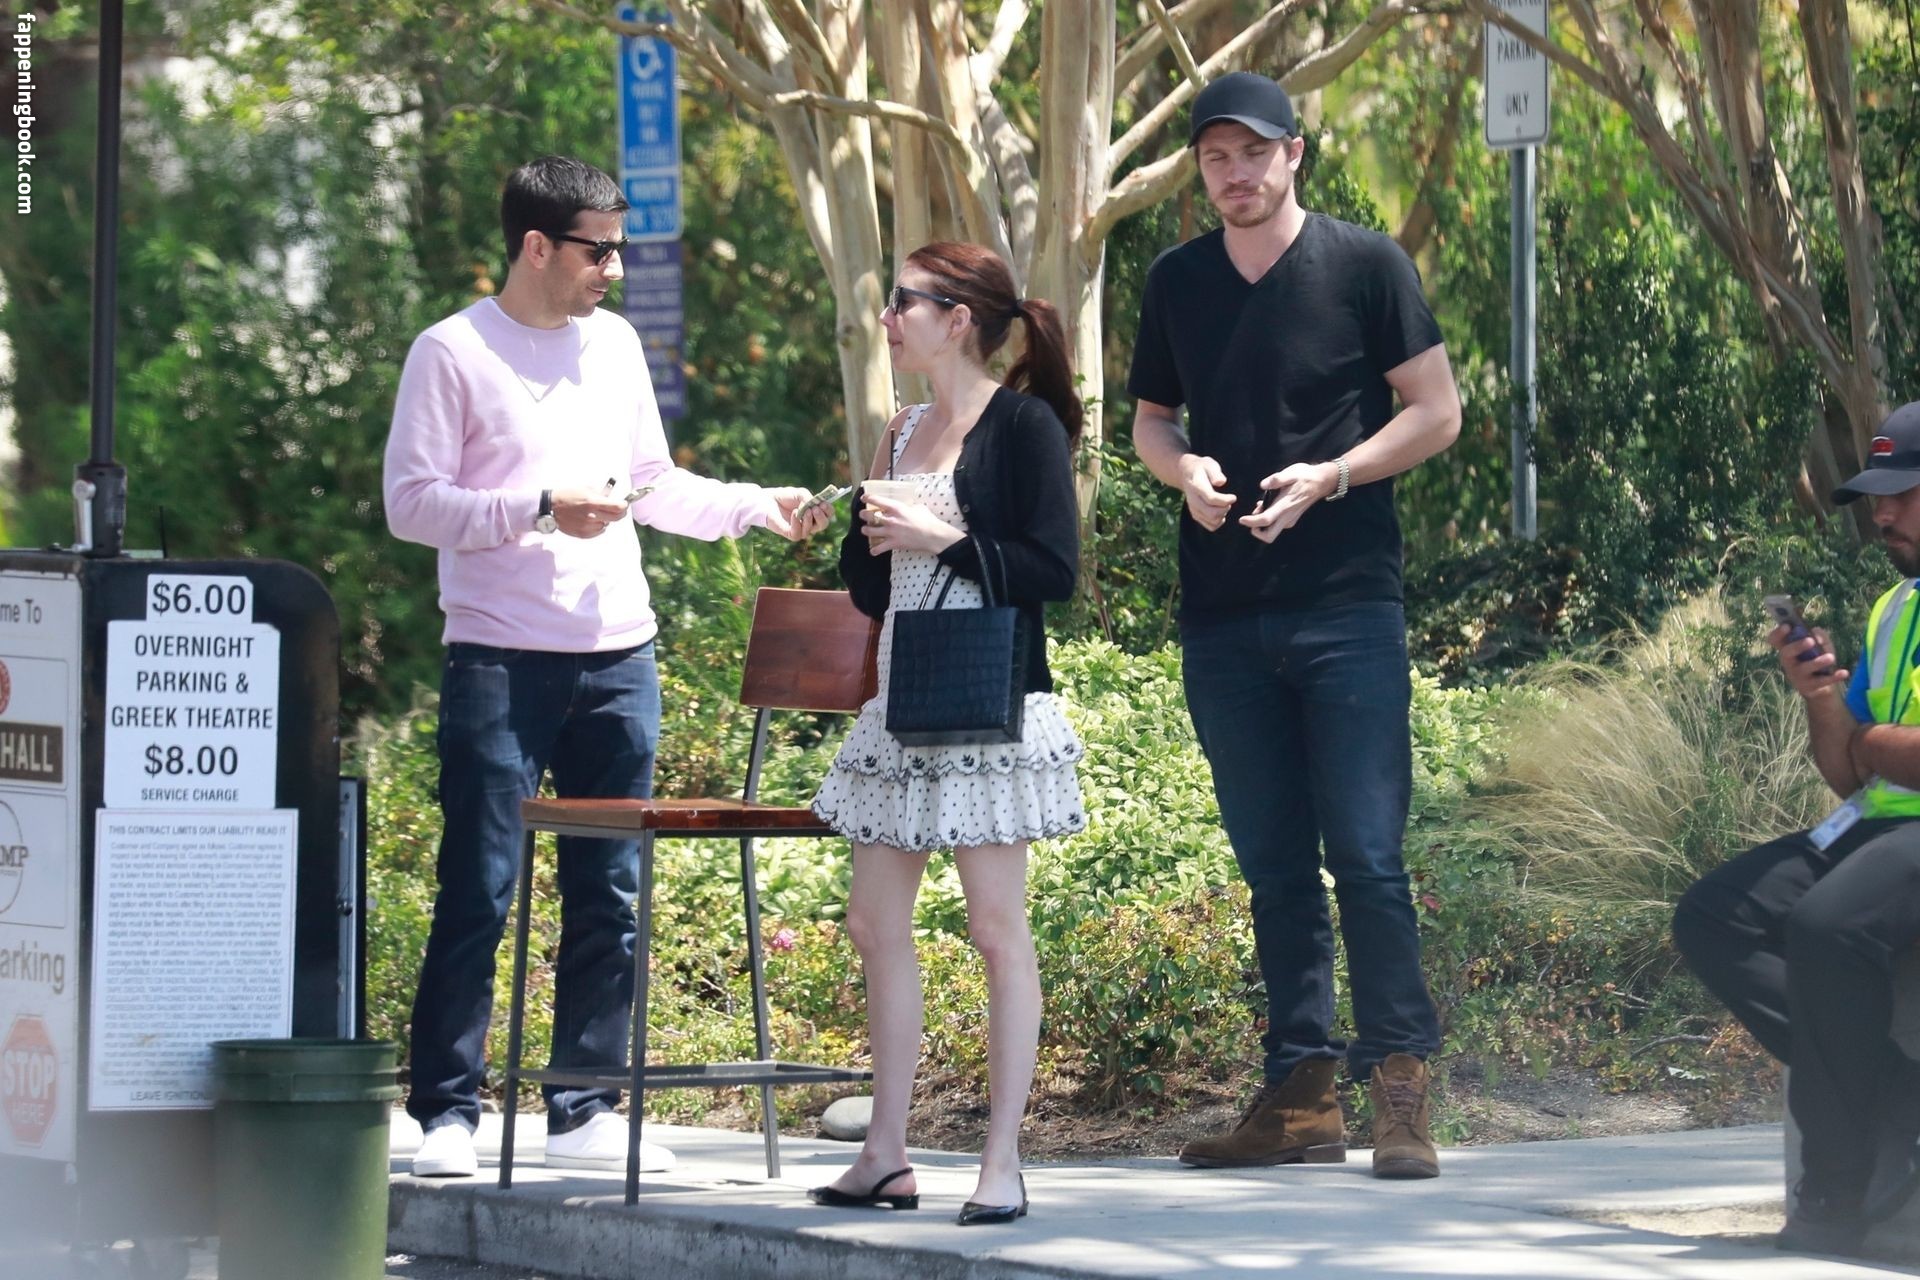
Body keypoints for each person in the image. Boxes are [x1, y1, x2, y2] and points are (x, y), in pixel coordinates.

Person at [383, 155, 829, 1180]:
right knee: (479, 884)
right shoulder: (451, 351)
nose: (616, 269)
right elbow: (411, 503)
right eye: (600, 251)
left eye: (620, 249)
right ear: (537, 246)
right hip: (498, 658)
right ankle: (446, 1112)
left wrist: (755, 505)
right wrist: (541, 506)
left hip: (619, 654)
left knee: (611, 892)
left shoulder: (617, 344)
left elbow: (653, 483)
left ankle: (582, 1109)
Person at [1126, 72, 1462, 1178]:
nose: (1236, 174)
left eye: (1253, 153)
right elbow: (1152, 421)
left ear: (1294, 154)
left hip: (1347, 605)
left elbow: (1437, 412)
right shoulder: (1177, 279)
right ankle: (1302, 1096)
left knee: (1365, 856)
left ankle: (1400, 1089)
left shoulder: (1366, 265)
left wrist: (1335, 474)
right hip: (1223, 618)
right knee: (1274, 868)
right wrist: (1183, 473)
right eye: (1216, 158)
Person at [807, 242, 1086, 1225]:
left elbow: (1054, 569)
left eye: (905, 302)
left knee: (996, 930)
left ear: (958, 318)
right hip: (904, 698)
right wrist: (856, 527)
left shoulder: (1023, 426)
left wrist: (943, 539)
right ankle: (884, 1153)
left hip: (988, 707)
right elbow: (874, 587)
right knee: (873, 923)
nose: (888, 318)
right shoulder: (901, 429)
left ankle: (1001, 1161)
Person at [1674, 401, 1920, 1258]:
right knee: (1713, 915)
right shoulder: (1895, 607)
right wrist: (1821, 700)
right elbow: (1848, 773)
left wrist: (1870, 741)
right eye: (1876, 498)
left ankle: (1837, 1190)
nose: (1882, 514)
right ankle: (1893, 1094)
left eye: (1902, 494)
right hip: (1879, 821)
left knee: (1826, 928)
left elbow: (1876, 752)